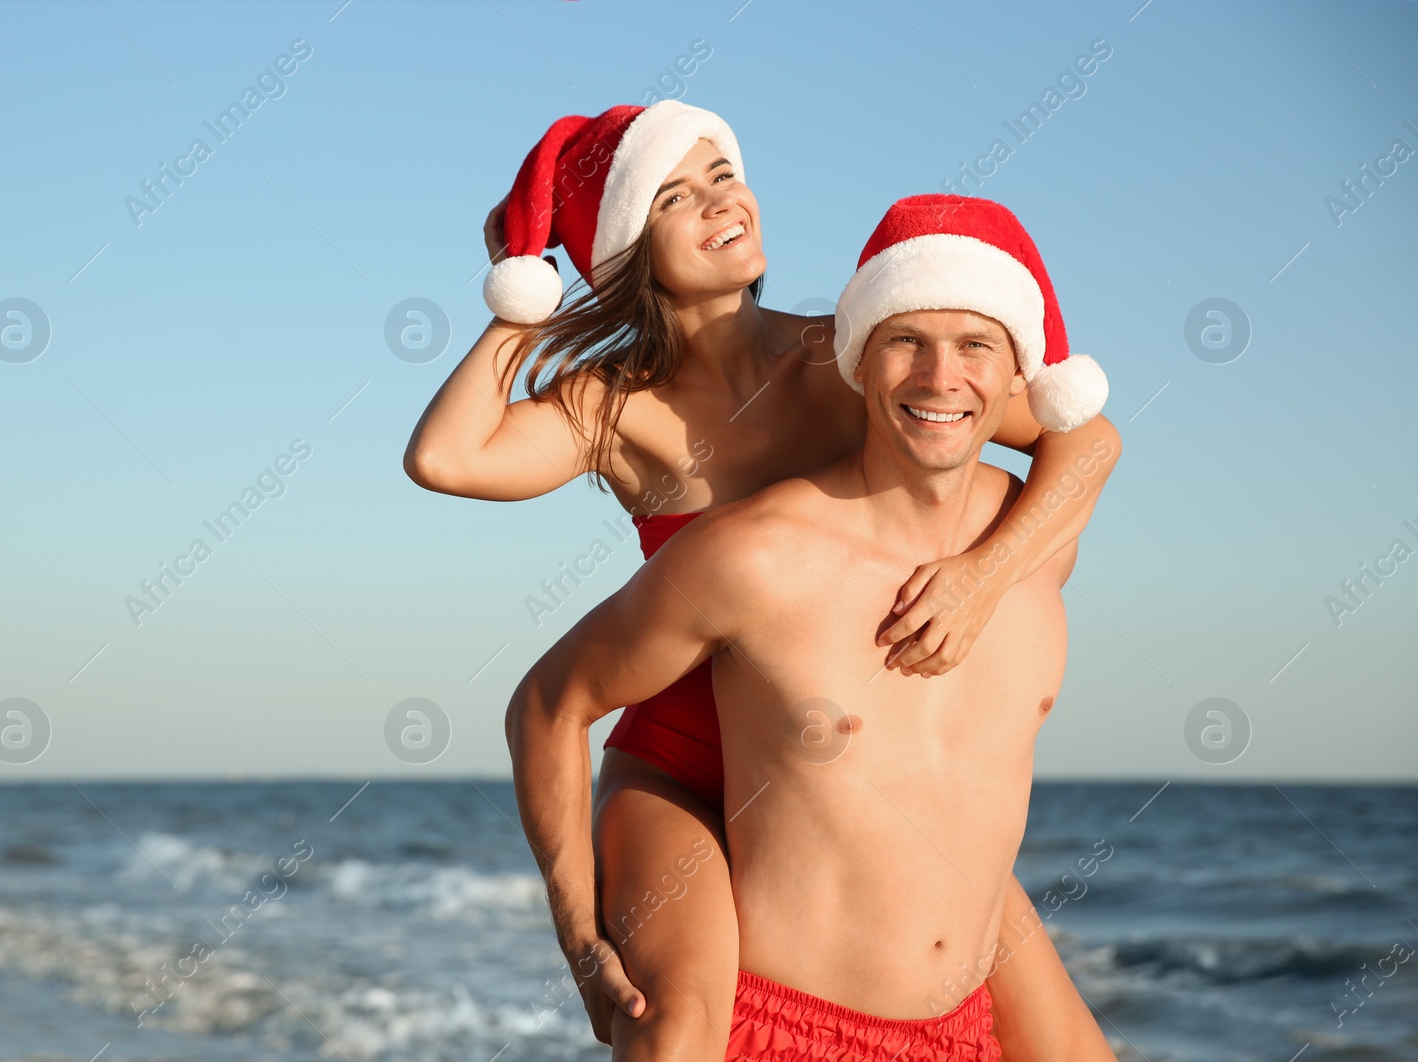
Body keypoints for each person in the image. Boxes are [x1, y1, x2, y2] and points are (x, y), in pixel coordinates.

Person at [406, 102, 1119, 1059]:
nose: (721, 201)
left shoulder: (857, 355)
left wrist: (981, 577)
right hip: (686, 767)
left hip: (839, 760)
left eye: (722, 174)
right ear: (624, 252)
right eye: (673, 196)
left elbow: (1086, 434)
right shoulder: (616, 410)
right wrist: (526, 289)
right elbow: (446, 459)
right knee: (681, 1029)